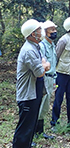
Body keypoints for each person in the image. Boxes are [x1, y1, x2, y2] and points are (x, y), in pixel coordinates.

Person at [13, 19, 50, 148]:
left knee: (31, 124)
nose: (41, 32)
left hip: (35, 91)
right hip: (28, 94)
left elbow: (45, 62)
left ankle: (26, 144)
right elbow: (40, 72)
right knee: (25, 126)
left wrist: (44, 65)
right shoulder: (28, 50)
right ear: (32, 33)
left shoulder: (36, 46)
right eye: (39, 30)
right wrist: (44, 65)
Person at [51, 17, 70, 132]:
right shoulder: (64, 40)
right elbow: (56, 57)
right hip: (62, 73)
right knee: (58, 97)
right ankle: (54, 122)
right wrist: (54, 74)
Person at [35, 20, 58, 140]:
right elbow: (42, 64)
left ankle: (40, 131)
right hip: (43, 78)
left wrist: (54, 79)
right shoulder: (42, 45)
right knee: (39, 104)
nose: (54, 32)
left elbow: (53, 64)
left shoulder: (52, 45)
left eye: (55, 29)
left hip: (50, 79)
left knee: (45, 106)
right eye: (51, 30)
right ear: (45, 32)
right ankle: (33, 133)